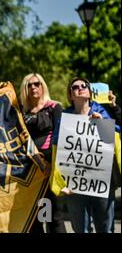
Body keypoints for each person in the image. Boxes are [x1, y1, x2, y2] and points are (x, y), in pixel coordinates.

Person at [61, 77, 119, 233]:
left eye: (84, 85)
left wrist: (103, 125)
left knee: (105, 228)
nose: (80, 88)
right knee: (81, 229)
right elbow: (58, 148)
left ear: (90, 92)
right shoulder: (64, 117)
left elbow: (115, 139)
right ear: (70, 95)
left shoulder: (101, 111)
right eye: (75, 87)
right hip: (75, 182)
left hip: (101, 180)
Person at [19, 73, 66, 233]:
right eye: (29, 85)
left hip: (52, 169)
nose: (33, 87)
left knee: (55, 217)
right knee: (34, 217)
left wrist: (51, 165)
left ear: (42, 86)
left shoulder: (54, 107)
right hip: (30, 171)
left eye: (36, 84)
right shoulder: (21, 113)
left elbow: (61, 136)